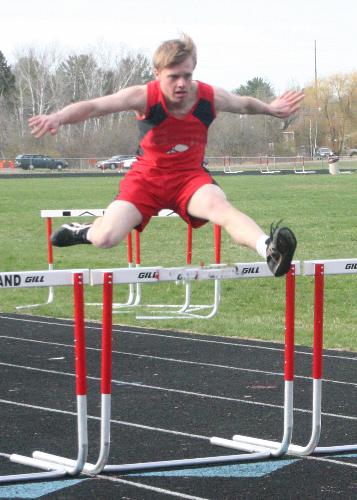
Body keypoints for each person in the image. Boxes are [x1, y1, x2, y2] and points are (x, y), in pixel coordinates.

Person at [29, 34, 304, 277]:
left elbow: (243, 104)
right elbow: (94, 107)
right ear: (157, 73)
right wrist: (57, 117)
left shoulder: (209, 96)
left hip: (189, 178)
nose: (182, 83)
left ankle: (269, 249)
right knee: (105, 238)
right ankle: (83, 231)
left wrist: (271, 108)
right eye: (174, 77)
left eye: (187, 75)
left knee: (222, 209)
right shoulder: (143, 96)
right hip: (147, 179)